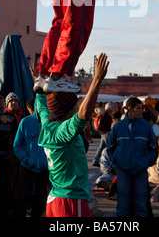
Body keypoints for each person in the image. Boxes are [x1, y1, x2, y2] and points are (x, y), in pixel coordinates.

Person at [34, 52, 109, 217]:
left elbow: (41, 104)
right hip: (69, 200)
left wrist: (40, 80)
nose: (77, 106)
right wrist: (96, 80)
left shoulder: (48, 124)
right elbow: (83, 114)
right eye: (75, 104)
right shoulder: (63, 131)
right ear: (67, 110)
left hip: (55, 198)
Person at [107, 97, 158, 217]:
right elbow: (110, 147)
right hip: (123, 172)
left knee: (141, 206)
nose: (141, 111)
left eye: (142, 108)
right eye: (138, 108)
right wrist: (117, 161)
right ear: (129, 109)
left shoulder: (146, 126)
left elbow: (153, 147)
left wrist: (147, 162)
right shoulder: (118, 127)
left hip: (141, 172)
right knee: (122, 207)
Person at [13, 98, 49, 217]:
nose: (41, 109)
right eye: (39, 106)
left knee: (40, 198)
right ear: (35, 107)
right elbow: (17, 145)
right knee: (22, 197)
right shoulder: (26, 122)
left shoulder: (49, 123)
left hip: (44, 169)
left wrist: (48, 162)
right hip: (27, 167)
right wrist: (26, 159)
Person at [92, 102, 115, 166]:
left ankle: (96, 161)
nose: (113, 108)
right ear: (109, 107)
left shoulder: (105, 113)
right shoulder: (106, 114)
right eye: (112, 106)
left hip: (103, 133)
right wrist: (106, 130)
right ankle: (109, 161)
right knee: (109, 147)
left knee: (101, 147)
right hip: (105, 133)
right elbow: (103, 123)